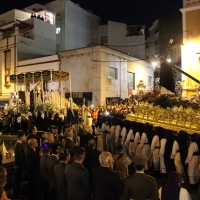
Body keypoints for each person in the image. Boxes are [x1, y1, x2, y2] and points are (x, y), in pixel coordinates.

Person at [14, 131, 26, 198]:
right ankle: (17, 195)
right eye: (24, 136)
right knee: (18, 181)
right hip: (19, 166)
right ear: (21, 137)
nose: (24, 137)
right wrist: (23, 166)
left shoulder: (17, 144)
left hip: (18, 166)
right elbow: (19, 157)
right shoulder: (19, 145)